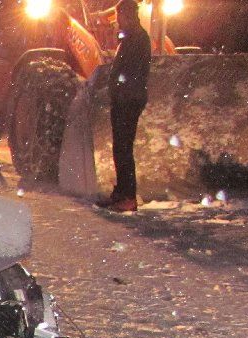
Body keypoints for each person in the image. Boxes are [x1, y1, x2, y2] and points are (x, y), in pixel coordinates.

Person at [98, 0, 151, 212]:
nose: (118, 21)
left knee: (124, 148)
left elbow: (131, 72)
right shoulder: (131, 37)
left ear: (128, 15)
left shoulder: (137, 39)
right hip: (125, 98)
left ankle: (128, 196)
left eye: (120, 16)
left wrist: (119, 90)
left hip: (128, 100)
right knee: (120, 148)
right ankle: (121, 192)